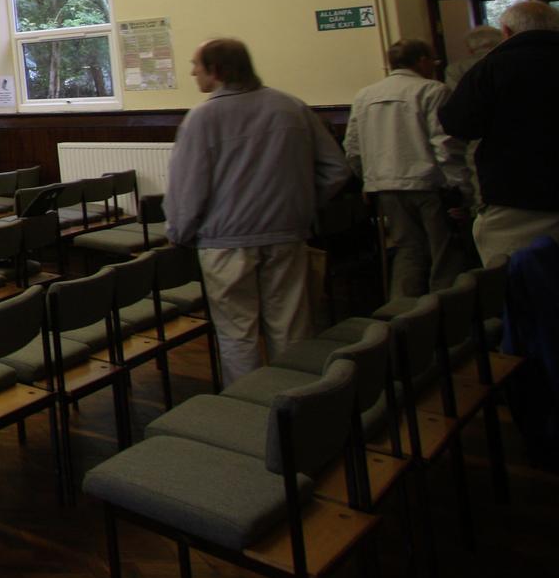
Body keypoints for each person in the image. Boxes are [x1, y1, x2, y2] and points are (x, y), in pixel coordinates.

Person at [164, 38, 352, 381]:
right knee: (292, 329)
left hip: (224, 245)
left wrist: (180, 233)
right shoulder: (292, 107)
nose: (192, 72)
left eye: (196, 65)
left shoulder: (202, 118)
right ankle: (297, 404)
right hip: (287, 237)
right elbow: (337, 170)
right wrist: (300, 206)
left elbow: (188, 190)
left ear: (216, 71)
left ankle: (249, 408)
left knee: (237, 334)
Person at [343, 39, 471, 296]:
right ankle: (447, 316)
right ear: (422, 60)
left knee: (407, 251)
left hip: (385, 185)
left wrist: (367, 179)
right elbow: (443, 143)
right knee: (444, 254)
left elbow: (353, 147)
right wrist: (461, 187)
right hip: (429, 184)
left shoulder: (364, 95)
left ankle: (404, 317)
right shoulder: (433, 91)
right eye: (433, 61)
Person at [440, 0, 559, 265]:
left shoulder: (490, 69)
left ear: (505, 31)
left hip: (514, 198)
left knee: (519, 286)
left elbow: (457, 124)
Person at [445, 23, 503, 88]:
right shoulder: (511, 63)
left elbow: (455, 95)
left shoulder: (454, 70)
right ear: (501, 43)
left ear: (469, 49)